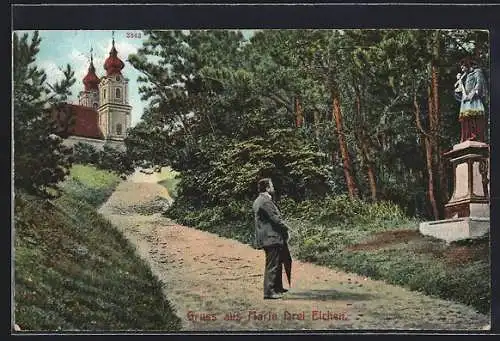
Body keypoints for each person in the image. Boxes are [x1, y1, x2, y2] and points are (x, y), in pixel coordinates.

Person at [252, 178, 290, 299]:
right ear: (267, 188)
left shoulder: (259, 200)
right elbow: (275, 219)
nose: (273, 187)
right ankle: (269, 292)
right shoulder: (265, 201)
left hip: (269, 237)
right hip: (271, 237)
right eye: (271, 185)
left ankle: (277, 287)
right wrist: (287, 228)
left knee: (277, 263)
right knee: (273, 264)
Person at [454, 57, 488, 142]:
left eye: (463, 67)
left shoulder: (477, 71)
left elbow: (479, 84)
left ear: (467, 65)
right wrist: (459, 81)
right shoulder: (465, 75)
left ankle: (475, 136)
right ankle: (467, 136)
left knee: (474, 117)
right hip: (466, 100)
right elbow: (460, 88)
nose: (462, 69)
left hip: (474, 100)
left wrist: (471, 95)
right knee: (466, 118)